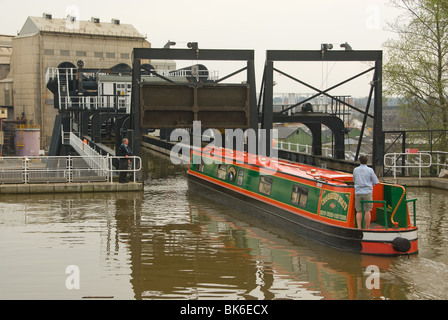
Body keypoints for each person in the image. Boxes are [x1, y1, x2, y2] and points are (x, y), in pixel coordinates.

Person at [353, 155, 379, 229]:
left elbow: (354, 180)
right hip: (367, 192)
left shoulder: (355, 170)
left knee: (359, 211)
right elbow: (376, 182)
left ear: (359, 161)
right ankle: (367, 228)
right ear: (367, 161)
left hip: (358, 192)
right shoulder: (370, 170)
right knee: (367, 211)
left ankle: (359, 227)